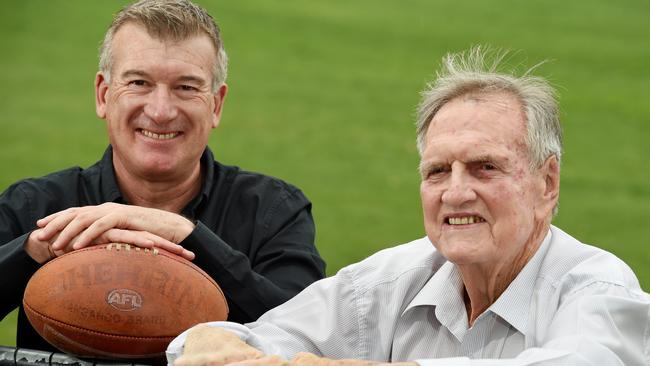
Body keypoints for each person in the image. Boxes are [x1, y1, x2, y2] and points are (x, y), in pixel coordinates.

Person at [166, 47, 650, 366]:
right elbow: (223, 342)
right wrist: (219, 346)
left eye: (485, 167)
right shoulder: (391, 281)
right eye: (437, 171)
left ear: (547, 183)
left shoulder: (596, 289)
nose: (456, 193)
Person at [0, 0, 325, 354]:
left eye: (186, 87)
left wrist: (188, 235)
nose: (161, 111)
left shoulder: (273, 210)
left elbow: (311, 336)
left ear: (215, 104)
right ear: (103, 95)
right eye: (139, 82)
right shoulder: (35, 206)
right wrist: (33, 251)